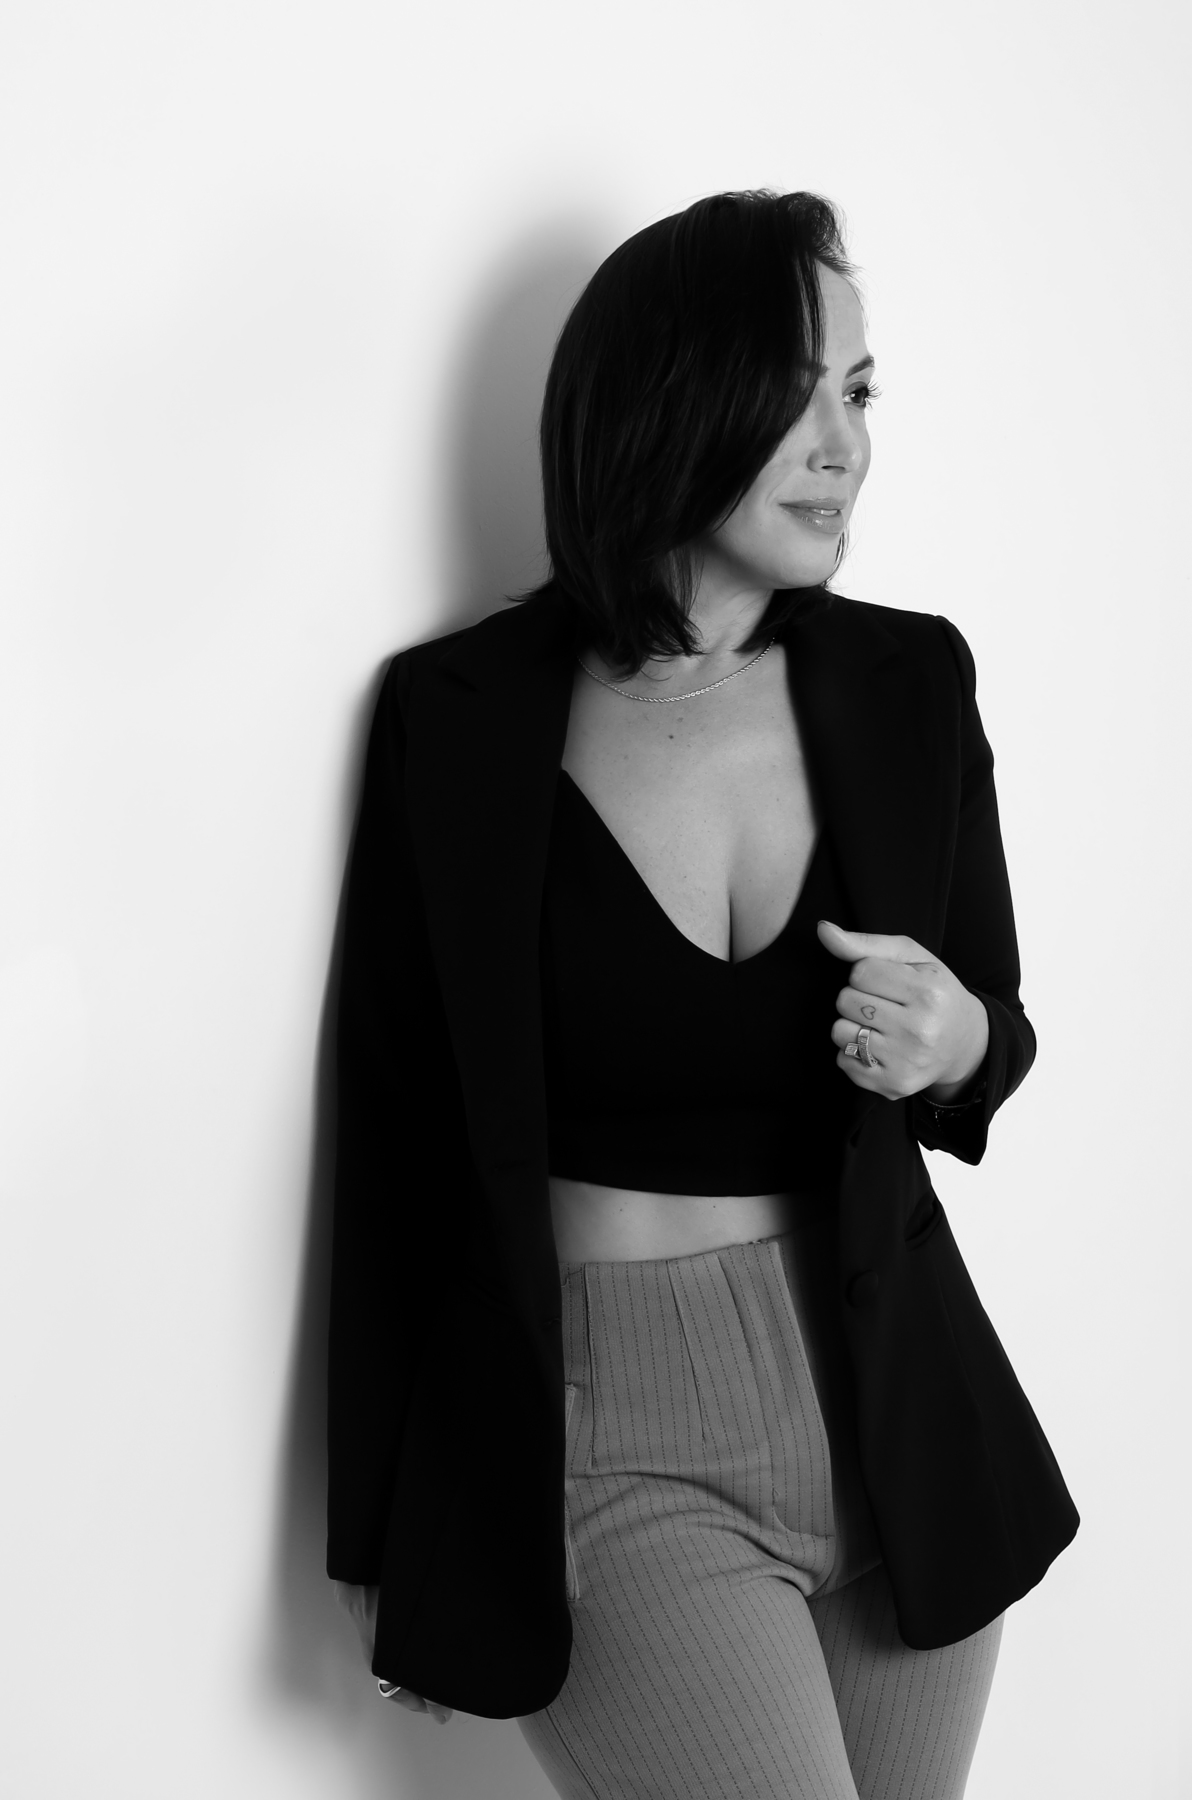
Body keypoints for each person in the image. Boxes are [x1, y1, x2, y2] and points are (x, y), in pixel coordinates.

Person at [326, 190, 1078, 1800]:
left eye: (859, 392)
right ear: (676, 402)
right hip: (615, 1437)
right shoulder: (459, 721)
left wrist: (956, 1042)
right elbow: (391, 1129)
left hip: (895, 1409)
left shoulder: (911, 683)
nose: (844, 446)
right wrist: (393, 1529)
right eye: (795, 396)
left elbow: (990, 1029)